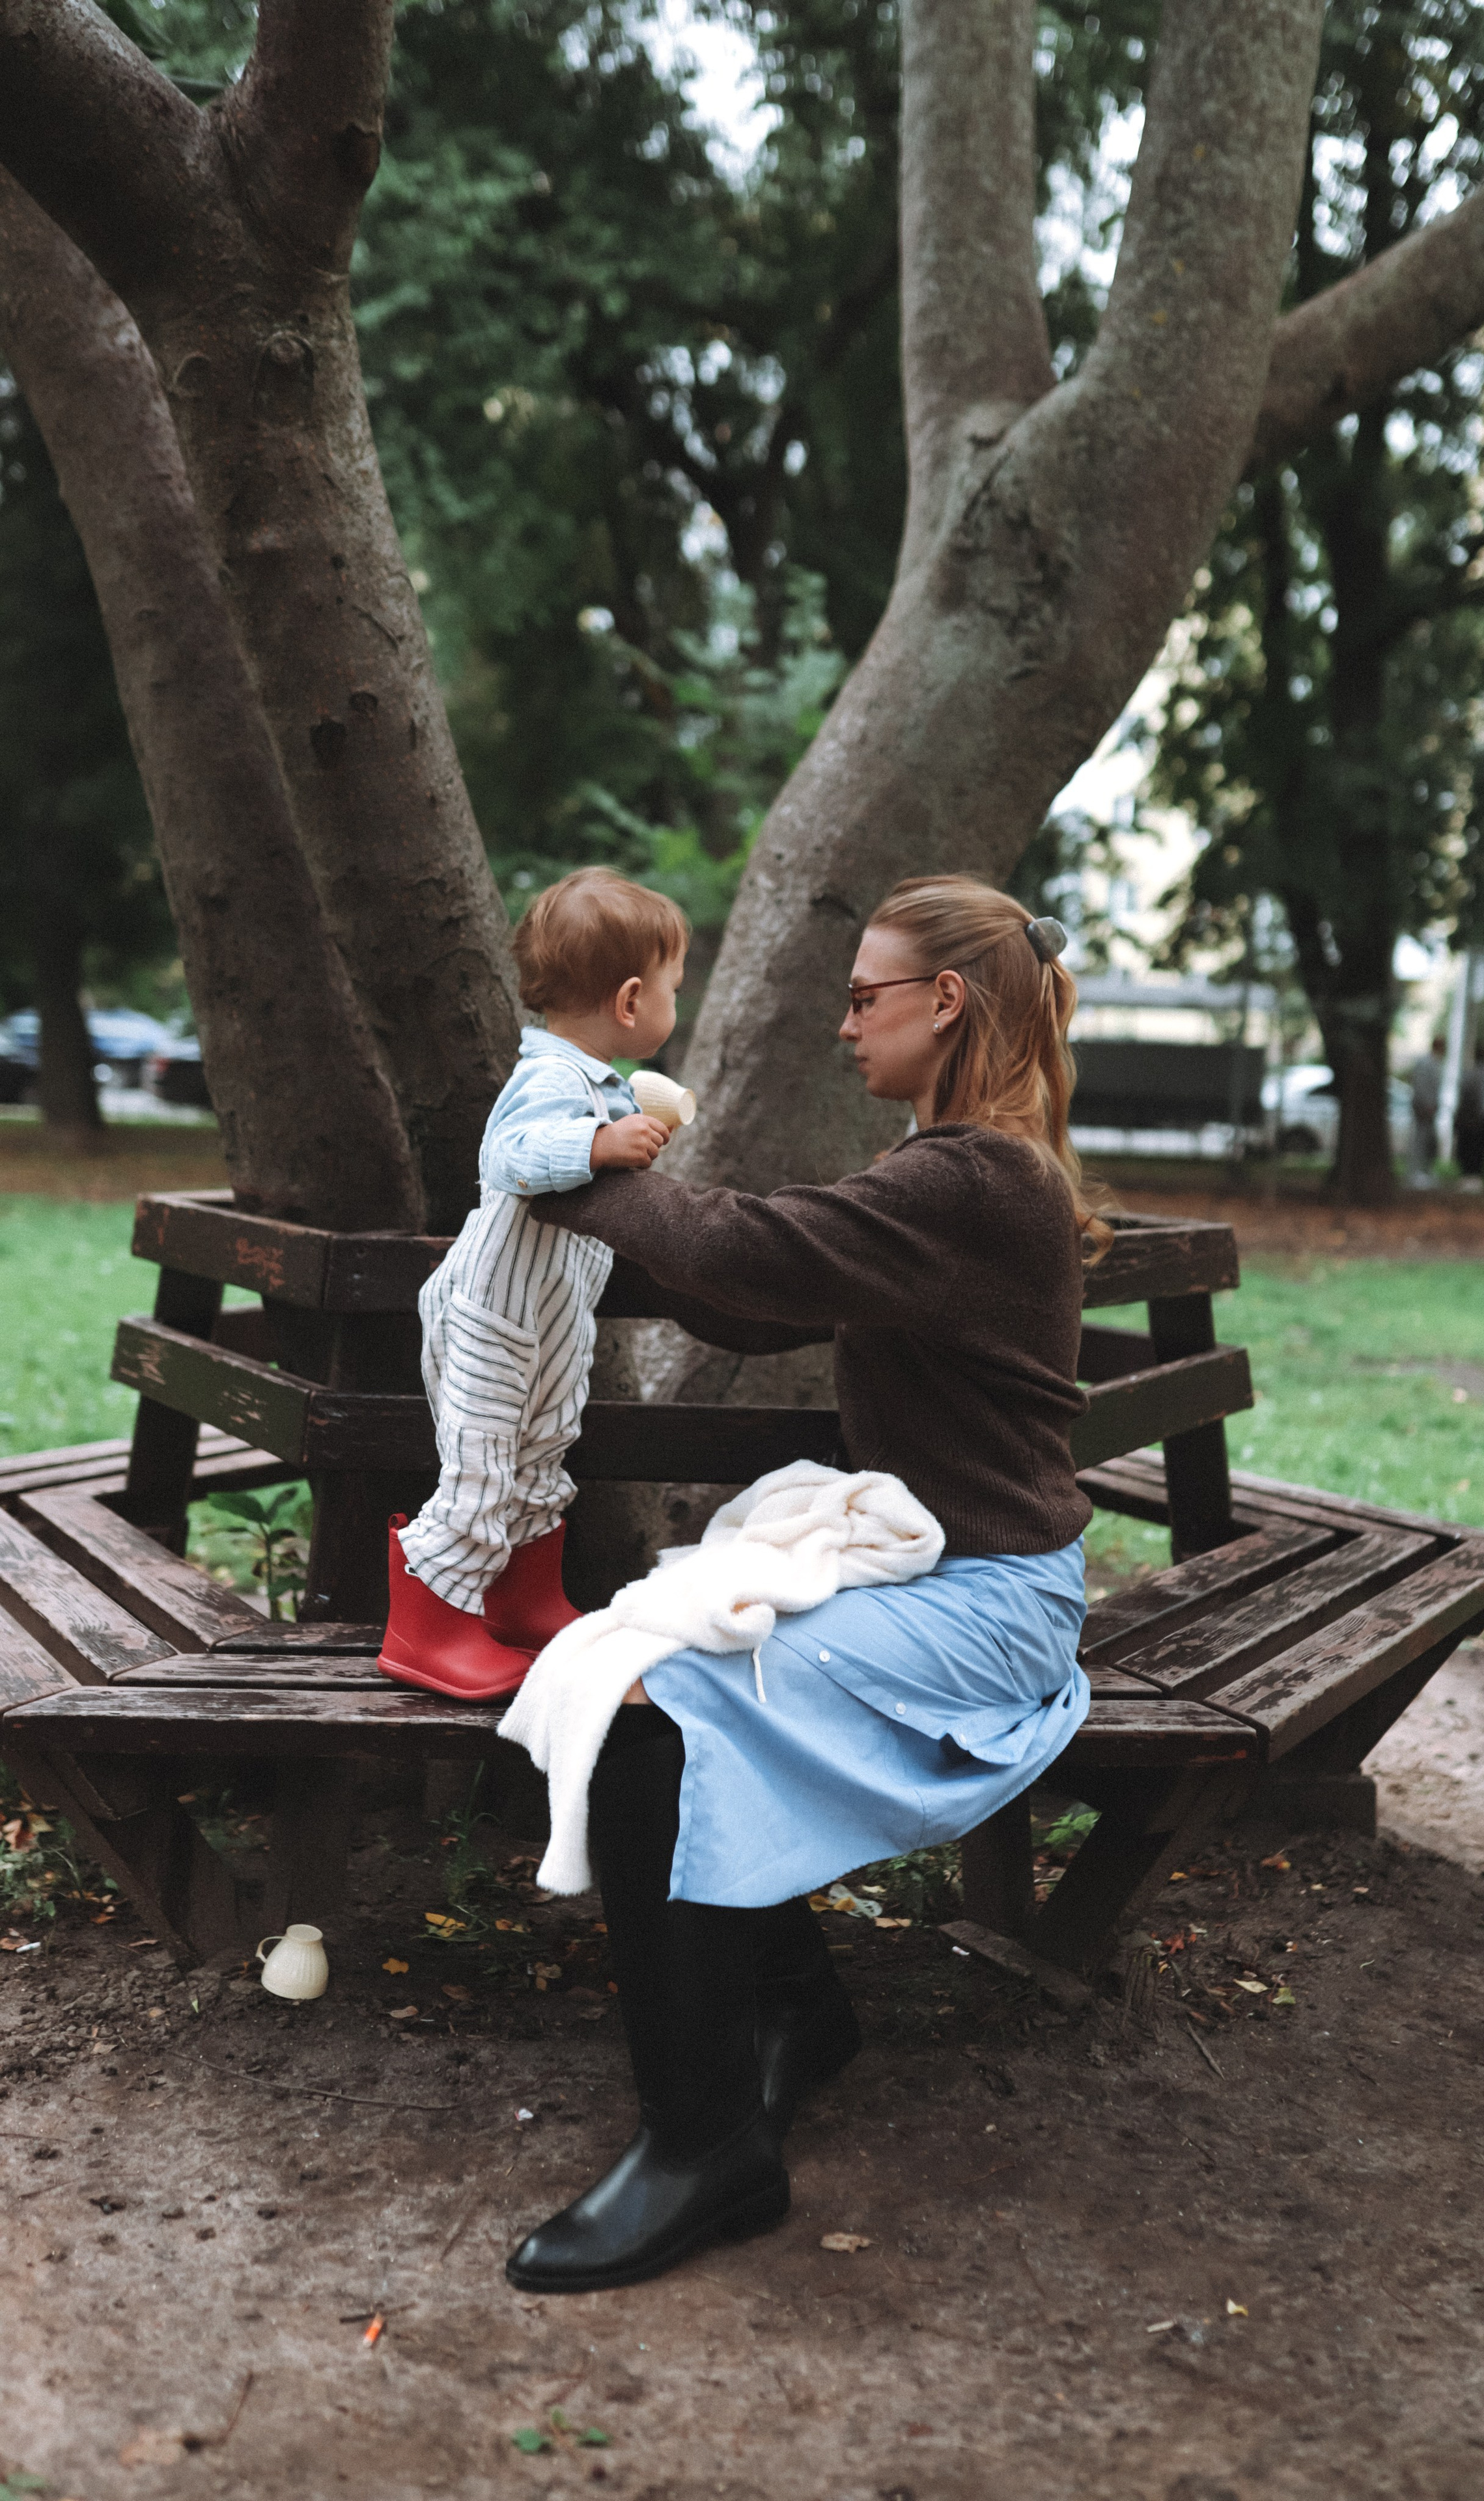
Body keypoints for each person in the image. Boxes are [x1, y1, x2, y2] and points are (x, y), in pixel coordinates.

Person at [501, 875, 1103, 2296]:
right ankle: (798, 2016)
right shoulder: (950, 1172)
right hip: (945, 1572)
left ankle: (706, 2143)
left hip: (992, 1603)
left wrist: (561, 1155)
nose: (843, 1024)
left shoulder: (973, 1181)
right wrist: (577, 1174)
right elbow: (740, 1290)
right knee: (638, 1666)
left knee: (656, 1703)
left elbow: (743, 1250)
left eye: (862, 996)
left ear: (942, 1002)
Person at [378, 868, 687, 1701]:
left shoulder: (597, 1085)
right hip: (491, 1316)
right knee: (482, 1465)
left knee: (542, 1451)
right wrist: (596, 1146)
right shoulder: (551, 1082)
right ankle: (426, 1625)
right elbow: (508, 1158)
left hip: (549, 1319)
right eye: (672, 990)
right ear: (630, 1001)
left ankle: (521, 1599)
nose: (673, 1007)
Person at [1455, 1040, 1484, 1191]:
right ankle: (1474, 1178)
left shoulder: (1469, 1073)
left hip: (1473, 1117)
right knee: (1477, 1150)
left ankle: (1470, 1177)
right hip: (1480, 1117)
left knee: (1470, 1149)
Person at [1407, 1033, 1445, 1187]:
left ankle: (1424, 1172)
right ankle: (1415, 1173)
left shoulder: (1434, 1063)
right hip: (1424, 1108)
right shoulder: (1426, 1063)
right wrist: (1426, 1105)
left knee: (1427, 1141)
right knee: (1420, 1141)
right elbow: (1422, 1086)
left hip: (1430, 1108)